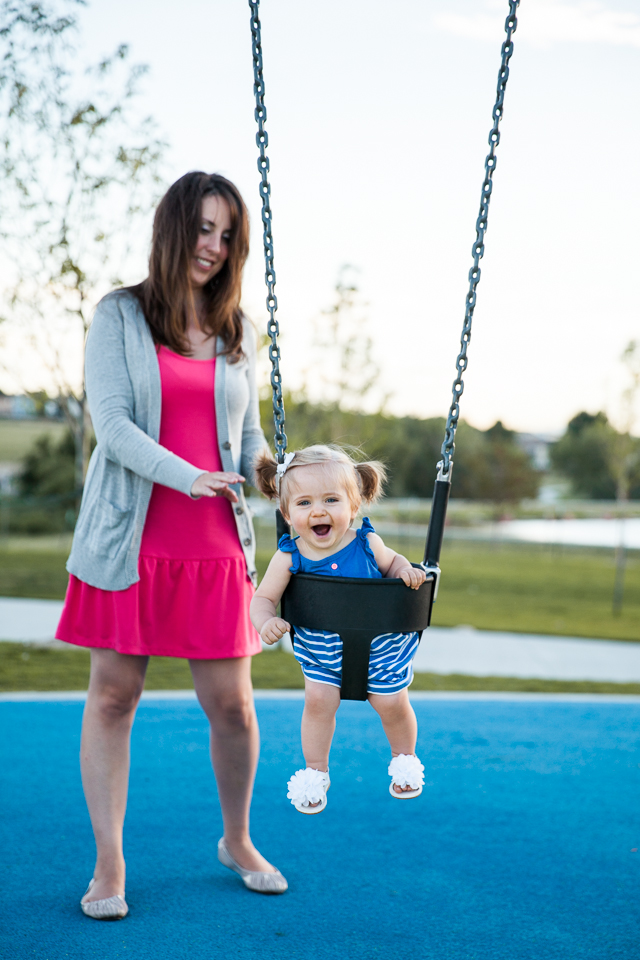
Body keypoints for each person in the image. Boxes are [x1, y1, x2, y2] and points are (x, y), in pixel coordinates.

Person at [56, 171, 287, 920]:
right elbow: (114, 426)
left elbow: (247, 440)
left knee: (235, 709)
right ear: (173, 227)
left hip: (215, 544)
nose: (214, 247)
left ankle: (238, 840)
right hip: (132, 535)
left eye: (228, 236)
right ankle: (110, 864)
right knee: (115, 697)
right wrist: (187, 476)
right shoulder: (120, 315)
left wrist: (273, 475)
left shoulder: (239, 328)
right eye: (204, 229)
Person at [250, 445, 427, 815]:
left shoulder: (366, 542)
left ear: (354, 506)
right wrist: (266, 621)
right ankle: (315, 772)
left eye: (331, 499)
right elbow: (262, 598)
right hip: (323, 653)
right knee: (317, 702)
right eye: (303, 503)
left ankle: (405, 760)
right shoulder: (289, 555)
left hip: (380, 649)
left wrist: (403, 572)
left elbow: (393, 562)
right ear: (286, 512)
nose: (318, 511)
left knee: (393, 702)